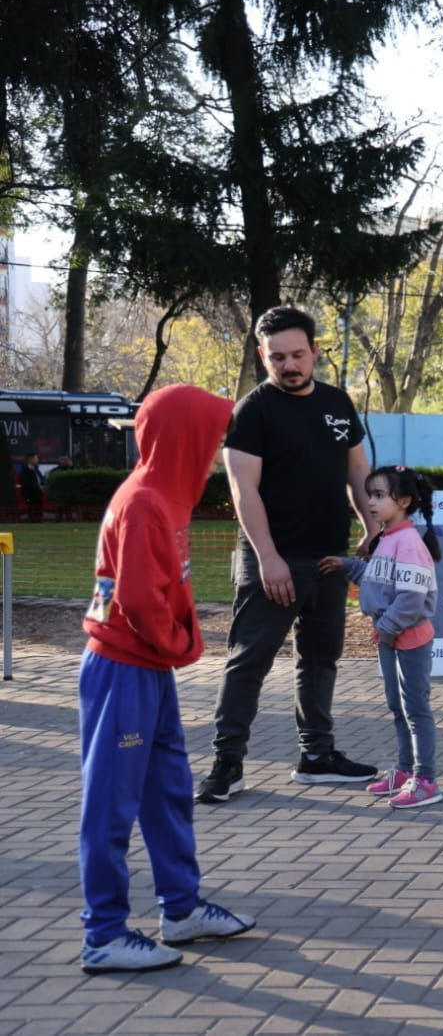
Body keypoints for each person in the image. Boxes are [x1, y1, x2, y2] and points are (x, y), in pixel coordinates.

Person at [77, 384, 256, 973]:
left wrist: (179, 640)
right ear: (183, 438)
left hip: (147, 668)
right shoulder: (145, 501)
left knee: (168, 790)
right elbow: (134, 596)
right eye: (208, 439)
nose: (214, 452)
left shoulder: (167, 496)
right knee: (111, 804)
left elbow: (162, 587)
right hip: (123, 668)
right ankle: (103, 934)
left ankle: (179, 909)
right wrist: (178, 643)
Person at [195, 306, 379, 804]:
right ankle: (226, 765)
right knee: (247, 663)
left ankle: (317, 756)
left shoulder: (339, 402)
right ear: (263, 355)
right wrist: (270, 558)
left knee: (320, 661)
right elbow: (242, 491)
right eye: (278, 357)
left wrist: (372, 527)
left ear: (315, 351)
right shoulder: (251, 411)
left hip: (329, 559)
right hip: (271, 561)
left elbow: (358, 473)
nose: (289, 365)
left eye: (298, 355)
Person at [321, 466, 443, 809]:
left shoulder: (408, 543)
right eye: (369, 495)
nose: (370, 502)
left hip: (408, 639)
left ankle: (426, 779)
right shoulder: (388, 539)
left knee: (416, 710)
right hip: (390, 639)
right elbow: (379, 579)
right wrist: (348, 565)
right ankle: (405, 771)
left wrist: (386, 628)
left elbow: (410, 598)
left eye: (378, 496)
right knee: (397, 706)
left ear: (403, 501)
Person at [19, 454, 45, 522]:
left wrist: (42, 485)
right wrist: (38, 487)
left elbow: (40, 479)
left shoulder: (36, 469)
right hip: (30, 495)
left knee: (39, 511)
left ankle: (39, 522)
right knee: (32, 511)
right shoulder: (25, 470)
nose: (37, 460)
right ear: (30, 459)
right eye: (36, 458)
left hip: (38, 494)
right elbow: (26, 483)